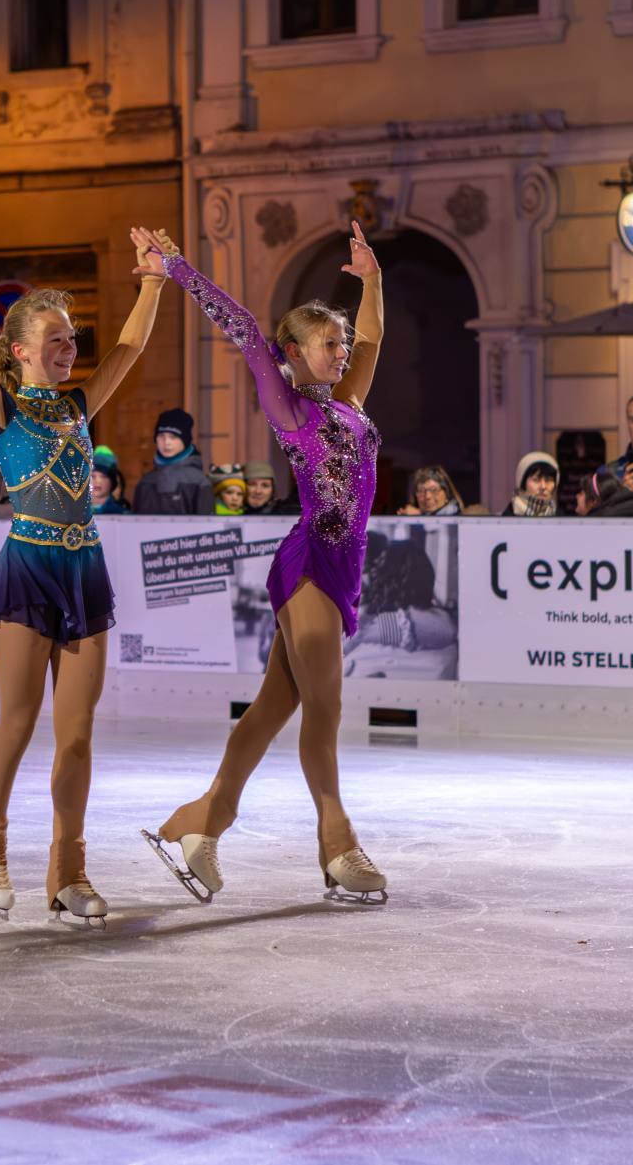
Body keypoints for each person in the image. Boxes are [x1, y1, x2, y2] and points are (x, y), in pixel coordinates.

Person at [0, 226, 167, 930]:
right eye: (55, 339)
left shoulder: (79, 406)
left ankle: (69, 872)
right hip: (27, 566)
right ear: (20, 350)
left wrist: (153, 280)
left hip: (85, 570)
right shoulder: (3, 408)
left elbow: (129, 348)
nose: (69, 347)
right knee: (19, 720)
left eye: (72, 338)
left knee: (77, 735)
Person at [141, 220, 390, 906]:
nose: (342, 351)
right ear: (296, 352)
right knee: (325, 705)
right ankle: (336, 839)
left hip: (342, 565)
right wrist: (180, 269)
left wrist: (372, 280)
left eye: (341, 342)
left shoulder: (349, 402)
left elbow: (373, 337)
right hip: (308, 562)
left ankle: (205, 817)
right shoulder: (289, 408)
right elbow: (249, 331)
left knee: (276, 705)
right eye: (329, 343)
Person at [132, 408, 211, 514]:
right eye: (161, 436)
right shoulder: (145, 482)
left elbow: (206, 522)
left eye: (173, 437)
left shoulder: (199, 481)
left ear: (185, 440)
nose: (166, 442)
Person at [503, 450, 560, 517]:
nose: (543, 486)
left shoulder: (563, 519)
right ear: (522, 482)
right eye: (536, 480)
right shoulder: (506, 519)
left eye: (548, 480)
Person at [90, 445, 130, 514]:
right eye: (93, 476)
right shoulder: (74, 511)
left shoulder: (121, 514)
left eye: (104, 476)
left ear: (112, 482)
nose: (98, 481)